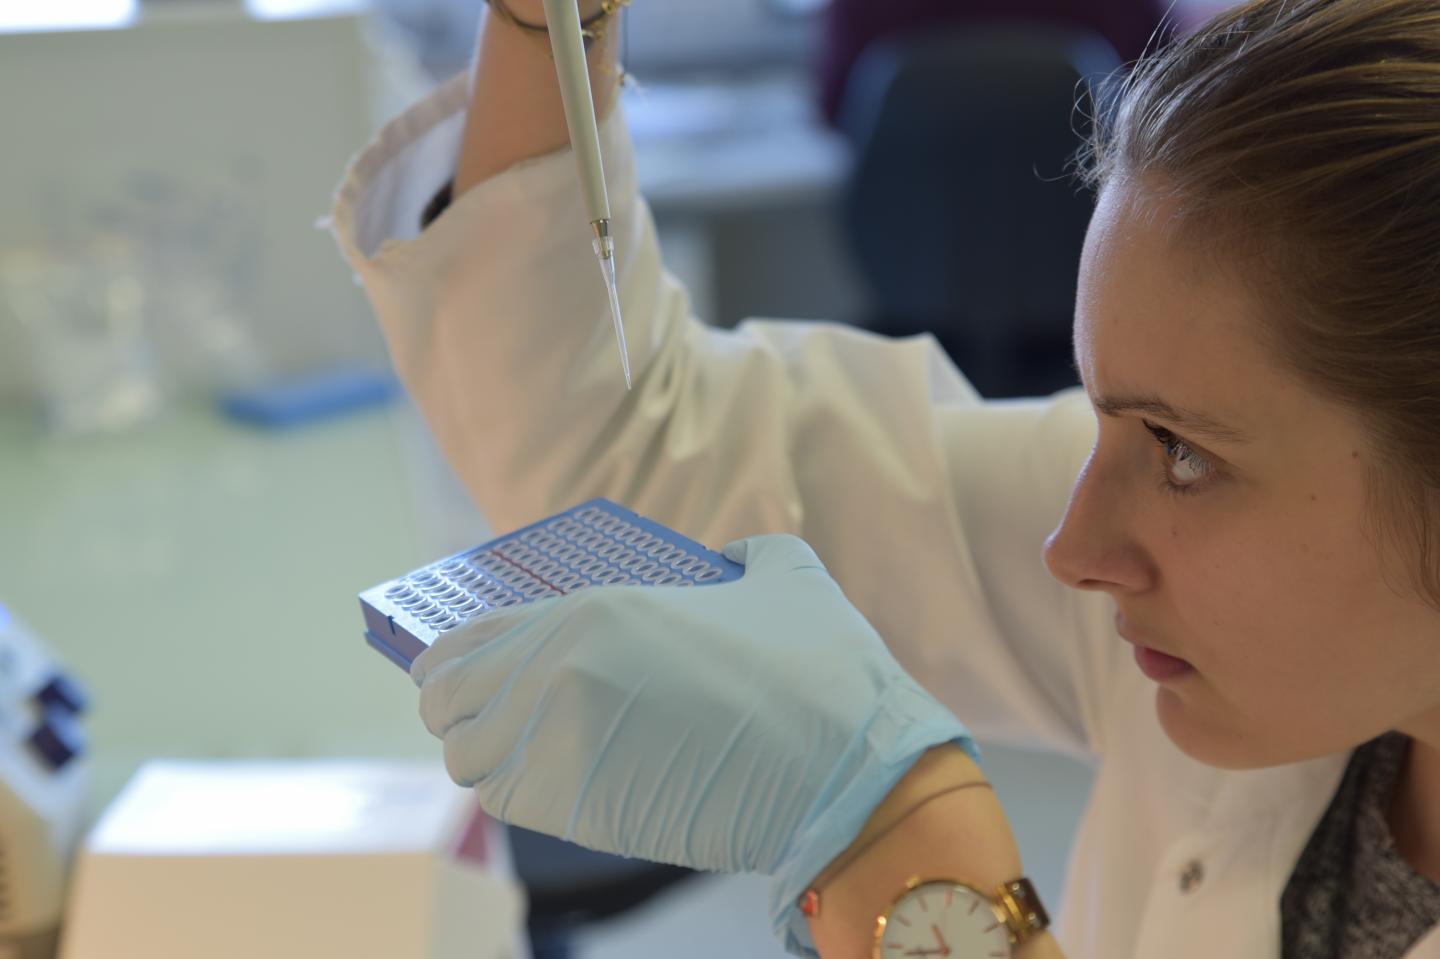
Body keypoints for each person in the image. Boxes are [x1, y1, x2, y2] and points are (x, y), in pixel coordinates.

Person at [326, 0, 1440, 956]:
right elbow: (642, 463)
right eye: (1104, 413)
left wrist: (907, 838)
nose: (1071, 550)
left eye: (1182, 451)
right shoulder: (1265, 619)